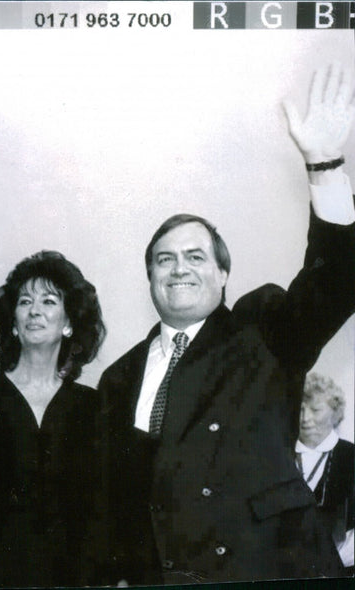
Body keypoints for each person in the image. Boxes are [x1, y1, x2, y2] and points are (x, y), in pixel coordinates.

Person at [98, 63, 355, 584]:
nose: (179, 268)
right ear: (149, 279)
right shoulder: (119, 377)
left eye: (195, 256)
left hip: (268, 568)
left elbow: (337, 281)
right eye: (164, 260)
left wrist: (324, 166)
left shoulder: (262, 331)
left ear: (222, 273)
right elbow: (116, 502)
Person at [0, 251, 108, 587]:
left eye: (49, 301)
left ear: (69, 323)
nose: (35, 310)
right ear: (13, 321)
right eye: (25, 301)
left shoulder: (95, 408)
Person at [296, 373, 354, 574]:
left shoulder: (352, 456)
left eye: (316, 410)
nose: (306, 419)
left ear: (335, 413)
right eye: (300, 409)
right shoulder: (278, 456)